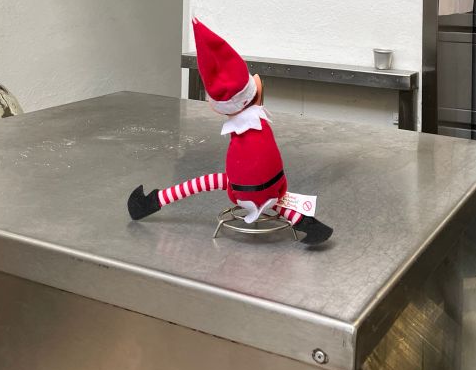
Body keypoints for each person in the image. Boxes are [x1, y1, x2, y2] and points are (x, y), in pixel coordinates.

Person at [127, 18, 333, 245]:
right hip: (274, 190)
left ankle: (151, 203)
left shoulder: (240, 125)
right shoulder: (261, 122)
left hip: (239, 191)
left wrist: (239, 189)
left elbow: (239, 169)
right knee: (266, 194)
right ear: (253, 93)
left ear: (217, 107)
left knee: (207, 182)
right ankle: (307, 223)